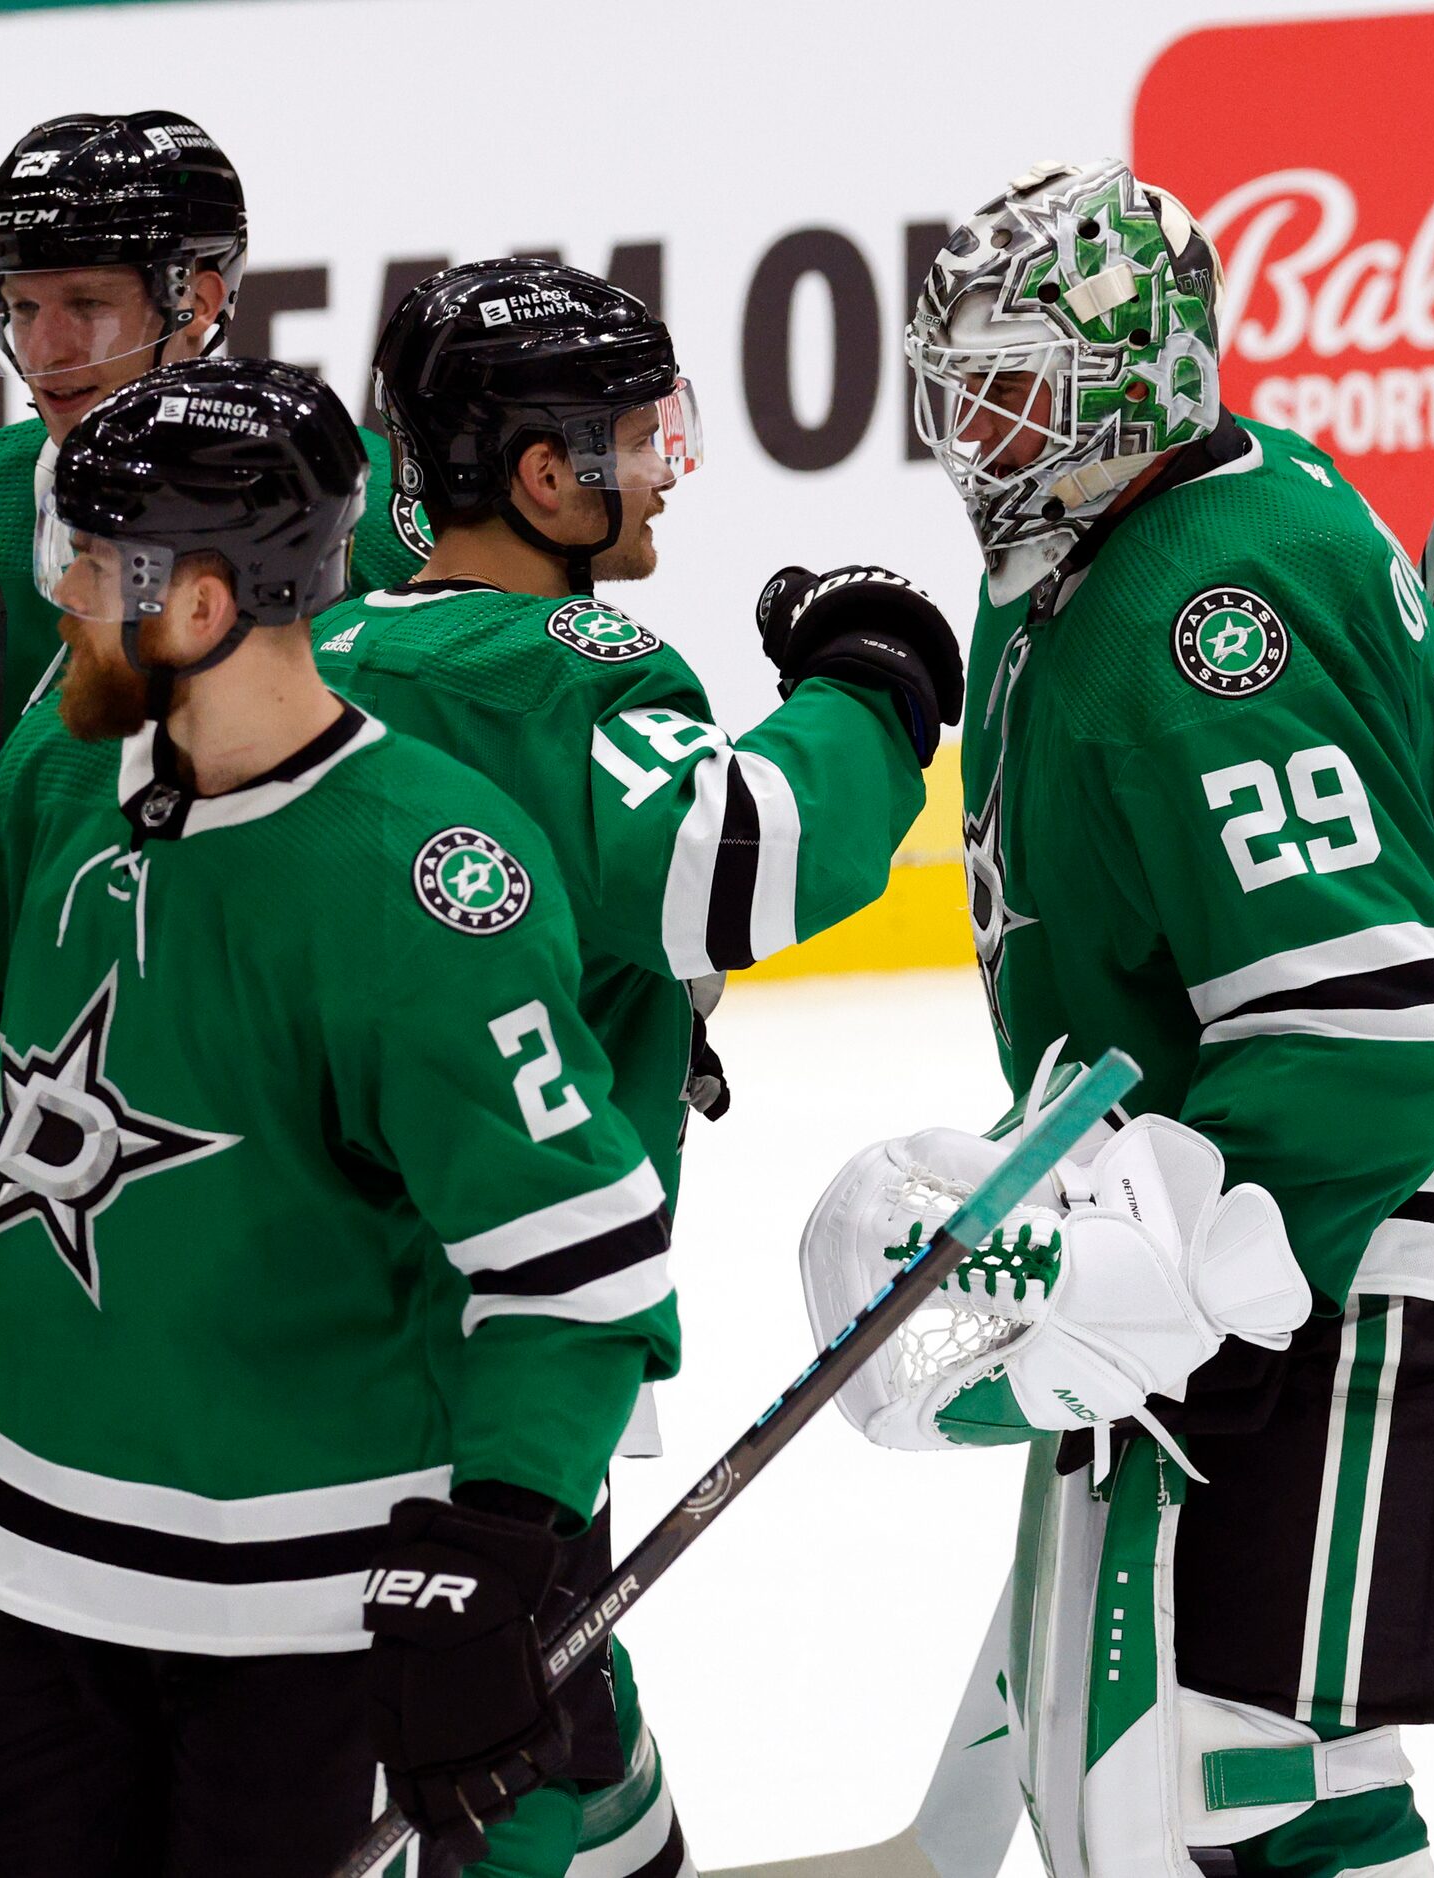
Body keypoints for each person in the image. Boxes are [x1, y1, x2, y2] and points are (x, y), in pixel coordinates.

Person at [0, 355, 680, 1876]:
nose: (62, 595)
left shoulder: (424, 874)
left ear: (207, 604)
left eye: (94, 568)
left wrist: (496, 1550)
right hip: (42, 1591)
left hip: (303, 1615)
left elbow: (573, 1264)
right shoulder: (63, 769)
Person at [842, 158, 1434, 1878]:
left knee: (1214, 1758)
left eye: (1020, 380)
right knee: (1209, 1747)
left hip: (1411, 1231)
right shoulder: (1103, 541)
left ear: (1136, 374)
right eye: (965, 384)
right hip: (1301, 1217)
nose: (980, 427)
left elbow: (1384, 1034)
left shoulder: (1218, 613)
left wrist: (1187, 1240)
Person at [310, 257, 963, 1877]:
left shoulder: (322, 647)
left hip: (304, 1322)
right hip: (482, 1356)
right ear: (542, 478)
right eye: (636, 430)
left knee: (549, 1737)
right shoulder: (560, 673)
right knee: (515, 1748)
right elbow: (743, 853)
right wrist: (869, 685)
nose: (664, 459)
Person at [0, 109, 430, 861]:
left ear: (195, 303)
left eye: (88, 305)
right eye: (23, 306)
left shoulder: (366, 509)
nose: (43, 348)